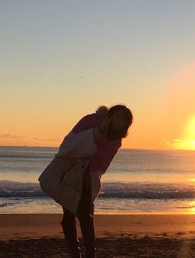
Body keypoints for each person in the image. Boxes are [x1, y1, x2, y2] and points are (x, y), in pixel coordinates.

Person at [44, 105, 133, 258]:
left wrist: (91, 170)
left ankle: (90, 253)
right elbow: (69, 142)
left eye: (124, 119)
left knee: (85, 216)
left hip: (88, 179)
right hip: (71, 174)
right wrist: (94, 135)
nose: (120, 120)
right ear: (110, 116)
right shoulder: (90, 120)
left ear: (126, 125)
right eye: (118, 116)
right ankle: (76, 253)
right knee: (69, 217)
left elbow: (102, 164)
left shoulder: (115, 141)